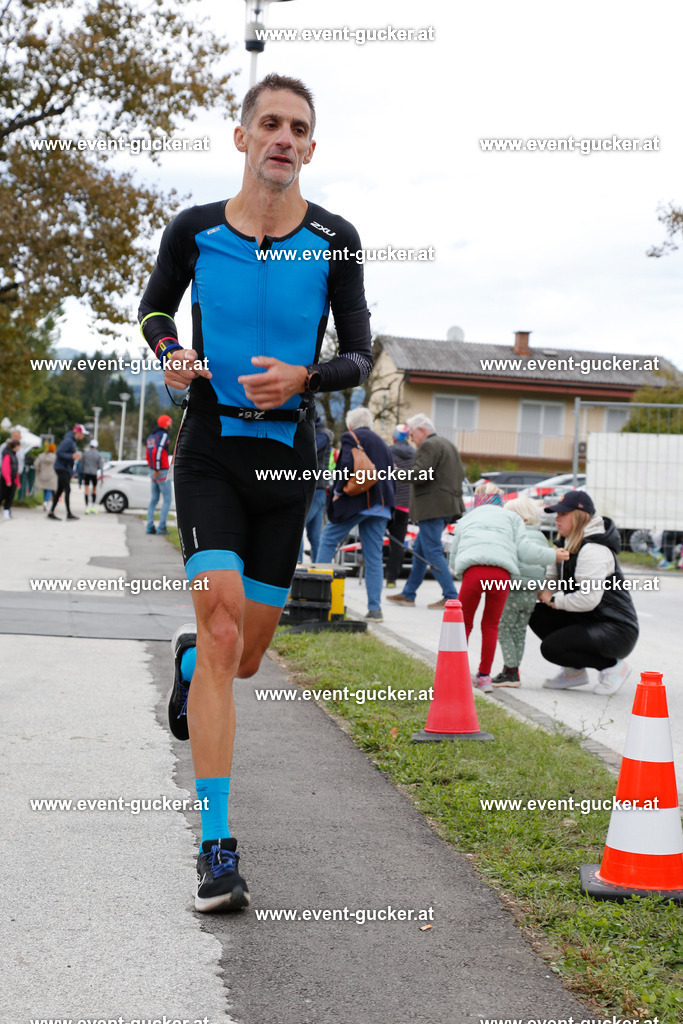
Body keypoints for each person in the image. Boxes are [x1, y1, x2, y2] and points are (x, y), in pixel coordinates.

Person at [138, 74, 372, 912]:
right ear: (242, 138)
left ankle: (195, 663)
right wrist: (170, 351)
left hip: (288, 462)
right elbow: (155, 309)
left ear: (310, 147)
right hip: (209, 450)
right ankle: (216, 849)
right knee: (223, 614)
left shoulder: (335, 239)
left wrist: (308, 376)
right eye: (268, 123)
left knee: (244, 655)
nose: (282, 136)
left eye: (297, 127)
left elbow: (361, 353)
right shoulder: (196, 230)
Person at [448, 483, 569, 691]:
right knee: (491, 625)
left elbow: (454, 555)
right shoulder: (512, 519)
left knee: (464, 624)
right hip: (500, 574)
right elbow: (526, 552)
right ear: (501, 502)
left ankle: (453, 674)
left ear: (477, 501)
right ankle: (484, 677)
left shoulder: (466, 520)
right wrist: (553, 554)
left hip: (473, 573)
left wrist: (459, 571)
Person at [529, 490, 638, 695]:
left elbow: (588, 599)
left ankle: (612, 666)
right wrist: (535, 588)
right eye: (556, 514)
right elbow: (550, 581)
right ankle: (574, 671)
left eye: (563, 514)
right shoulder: (565, 544)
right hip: (588, 619)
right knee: (536, 613)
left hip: (616, 629)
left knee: (551, 649)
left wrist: (553, 600)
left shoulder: (594, 550)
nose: (557, 519)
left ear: (581, 517)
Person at [317, 407, 395, 619]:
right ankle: (374, 608)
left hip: (358, 501)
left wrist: (338, 491)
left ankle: (319, 596)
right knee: (373, 557)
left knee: (328, 539)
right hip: (382, 505)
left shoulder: (350, 436)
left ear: (351, 424)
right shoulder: (383, 444)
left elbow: (346, 466)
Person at [387, 413, 463, 609]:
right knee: (421, 550)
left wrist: (394, 472)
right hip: (446, 506)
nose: (411, 439)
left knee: (432, 551)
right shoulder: (448, 444)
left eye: (412, 434)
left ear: (422, 430)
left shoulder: (429, 445)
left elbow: (421, 474)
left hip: (432, 507)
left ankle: (451, 596)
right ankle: (408, 594)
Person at [493, 496, 550, 687]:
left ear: (521, 519)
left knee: (503, 628)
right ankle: (513, 669)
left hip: (513, 590)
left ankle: (510, 671)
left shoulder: (515, 536)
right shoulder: (541, 537)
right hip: (531, 593)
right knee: (519, 630)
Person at [298, 410, 333, 562]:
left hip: (315, 489)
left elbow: (308, 450)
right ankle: (319, 568)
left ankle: (295, 566)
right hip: (319, 490)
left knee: (297, 528)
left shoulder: (321, 434)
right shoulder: (320, 433)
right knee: (314, 536)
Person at [385, 424, 415, 588]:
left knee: (375, 539)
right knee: (397, 543)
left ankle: (373, 573)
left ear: (394, 437)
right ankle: (392, 579)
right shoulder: (415, 455)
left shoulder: (388, 451)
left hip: (389, 503)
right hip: (405, 505)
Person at [48, 424, 87, 520]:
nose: (83, 436)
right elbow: (59, 452)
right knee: (67, 489)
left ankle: (51, 512)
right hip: (62, 468)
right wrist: (72, 456)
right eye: (82, 434)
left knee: (60, 490)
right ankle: (68, 513)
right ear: (77, 433)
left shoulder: (71, 441)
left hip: (64, 468)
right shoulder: (68, 441)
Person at [145, 415, 173, 535]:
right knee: (167, 499)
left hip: (153, 470)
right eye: (170, 423)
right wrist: (157, 468)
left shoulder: (151, 437)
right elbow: (158, 450)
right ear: (166, 424)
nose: (170, 425)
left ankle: (149, 526)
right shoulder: (164, 435)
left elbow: (148, 453)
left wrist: (152, 468)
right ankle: (162, 527)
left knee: (154, 500)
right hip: (161, 470)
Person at [81, 438, 104, 514]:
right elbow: (101, 466)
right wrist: (102, 476)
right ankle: (93, 507)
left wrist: (82, 473)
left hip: (86, 473)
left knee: (86, 491)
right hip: (94, 473)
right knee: (94, 490)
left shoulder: (85, 453)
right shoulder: (98, 454)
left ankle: (86, 507)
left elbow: (82, 464)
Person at [33, 443, 58, 511]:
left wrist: (38, 470)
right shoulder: (55, 457)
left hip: (42, 474)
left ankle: (45, 501)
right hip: (52, 475)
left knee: (45, 489)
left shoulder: (41, 456)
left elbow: (36, 464)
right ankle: (46, 502)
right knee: (49, 489)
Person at [1, 439, 21, 519]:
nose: (19, 448)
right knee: (2, 495)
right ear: (15, 446)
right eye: (19, 446)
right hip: (6, 480)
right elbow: (5, 468)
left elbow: (15, 469)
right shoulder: (8, 455)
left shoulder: (14, 455)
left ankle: (7, 511)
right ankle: (6, 511)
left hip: (13, 479)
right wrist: (8, 480)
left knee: (10, 496)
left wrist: (17, 481)